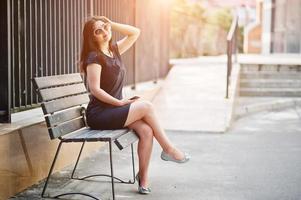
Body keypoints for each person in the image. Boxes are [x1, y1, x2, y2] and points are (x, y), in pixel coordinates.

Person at [79, 16, 190, 195]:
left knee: (146, 131)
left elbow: (135, 33)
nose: (105, 32)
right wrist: (120, 102)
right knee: (146, 106)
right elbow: (95, 89)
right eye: (98, 31)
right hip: (99, 115)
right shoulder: (94, 57)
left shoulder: (113, 50)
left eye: (105, 28)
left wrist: (110, 23)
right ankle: (168, 149)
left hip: (113, 110)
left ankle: (143, 178)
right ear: (92, 37)